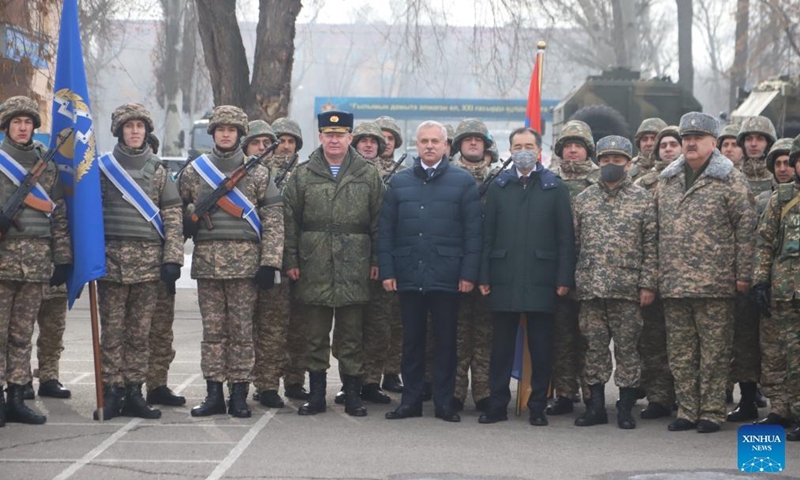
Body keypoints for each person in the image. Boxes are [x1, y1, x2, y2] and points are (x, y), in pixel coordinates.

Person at [180, 105, 283, 419]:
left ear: (240, 134)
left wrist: (270, 263)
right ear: (213, 133)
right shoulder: (195, 171)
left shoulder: (260, 173)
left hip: (246, 266)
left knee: (241, 332)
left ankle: (239, 394)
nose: (226, 134)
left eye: (232, 130)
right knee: (213, 333)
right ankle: (213, 393)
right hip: (208, 264)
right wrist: (189, 220)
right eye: (221, 129)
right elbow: (176, 211)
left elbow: (274, 220)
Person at [656, 112, 756, 433]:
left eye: (698, 138)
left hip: (716, 283)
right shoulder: (667, 180)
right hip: (674, 282)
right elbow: (655, 229)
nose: (690, 143)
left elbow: (746, 228)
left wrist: (743, 275)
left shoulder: (730, 179)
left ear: (714, 143)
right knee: (681, 352)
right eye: (686, 138)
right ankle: (687, 410)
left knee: (714, 353)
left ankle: (712, 412)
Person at [283, 110, 383, 417]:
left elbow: (380, 221)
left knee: (351, 335)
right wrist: (291, 259)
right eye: (329, 134)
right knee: (315, 335)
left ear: (350, 138)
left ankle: (352, 394)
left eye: (340, 135)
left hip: (356, 264)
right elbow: (290, 221)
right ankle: (315, 396)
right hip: (314, 264)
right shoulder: (302, 174)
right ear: (321, 137)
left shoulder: (368, 173)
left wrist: (378, 259)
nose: (335, 140)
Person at [380, 120, 481, 423]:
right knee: (411, 342)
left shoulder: (463, 182)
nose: (429, 146)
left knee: (446, 343)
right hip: (409, 272)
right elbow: (386, 231)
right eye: (424, 141)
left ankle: (444, 402)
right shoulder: (399, 183)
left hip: (447, 275)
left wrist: (468, 274)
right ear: (416, 144)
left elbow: (474, 234)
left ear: (446, 146)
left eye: (435, 141)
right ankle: (409, 401)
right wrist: (388, 270)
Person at [93, 104, 183, 420]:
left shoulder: (158, 170)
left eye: (140, 126)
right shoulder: (101, 169)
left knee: (139, 334)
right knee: (113, 334)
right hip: (111, 265)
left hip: (148, 268)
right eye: (129, 126)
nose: (135, 131)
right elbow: (89, 216)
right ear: (119, 131)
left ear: (147, 131)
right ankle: (113, 392)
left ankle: (134, 392)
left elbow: (173, 217)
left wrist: (172, 259)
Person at [477, 140, 575, 426]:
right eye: (517, 145)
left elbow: (565, 238)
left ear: (538, 150)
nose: (523, 150)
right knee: (501, 348)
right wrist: (484, 275)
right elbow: (487, 235)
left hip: (541, 277)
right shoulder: (500, 186)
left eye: (529, 145)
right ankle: (497, 404)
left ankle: (537, 406)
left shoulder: (555, 187)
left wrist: (563, 278)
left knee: (542, 348)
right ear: (509, 150)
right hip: (504, 275)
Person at [573, 136, 657, 429]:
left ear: (628, 164)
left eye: (617, 160)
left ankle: (625, 408)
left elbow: (651, 245)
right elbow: (575, 243)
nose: (611, 165)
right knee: (593, 349)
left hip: (628, 290)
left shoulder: (643, 199)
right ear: (598, 162)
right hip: (591, 288)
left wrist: (647, 284)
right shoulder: (583, 199)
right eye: (606, 160)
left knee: (627, 350)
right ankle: (595, 407)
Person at [0, 96, 72, 425]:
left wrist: (63, 258)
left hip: (36, 263)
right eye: (17, 122)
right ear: (6, 126)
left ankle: (16, 395)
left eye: (28, 122)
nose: (23, 127)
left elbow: (57, 216)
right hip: (3, 261)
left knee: (21, 334)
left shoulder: (47, 165)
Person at [726, 115, 777, 422]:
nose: (754, 143)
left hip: (776, 273)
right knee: (744, 340)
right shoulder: (732, 178)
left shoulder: (780, 176)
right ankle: (747, 398)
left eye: (760, 138)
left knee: (773, 341)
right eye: (749, 139)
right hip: (743, 269)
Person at [547, 120, 599, 415]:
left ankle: (592, 391)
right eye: (567, 146)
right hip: (557, 270)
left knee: (590, 337)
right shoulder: (550, 179)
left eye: (578, 146)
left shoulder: (599, 180)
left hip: (591, 270)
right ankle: (565, 392)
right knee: (562, 335)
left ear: (588, 150)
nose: (572, 151)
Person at [752, 134, 800, 442]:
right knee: (777, 355)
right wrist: (760, 280)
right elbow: (764, 242)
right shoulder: (780, 198)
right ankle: (781, 410)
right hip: (783, 291)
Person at [241, 120, 292, 409]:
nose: (263, 148)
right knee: (240, 329)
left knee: (273, 329)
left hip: (276, 263)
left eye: (267, 143)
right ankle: (238, 384)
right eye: (256, 143)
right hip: (238, 263)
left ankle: (269, 385)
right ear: (245, 146)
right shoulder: (234, 175)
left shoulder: (290, 175)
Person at [634, 126, 681, 420]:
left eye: (672, 144)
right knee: (651, 341)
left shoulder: (690, 181)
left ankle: (685, 397)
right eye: (662, 145)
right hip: (652, 273)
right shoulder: (643, 184)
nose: (665, 149)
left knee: (681, 343)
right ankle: (658, 398)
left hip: (684, 276)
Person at [449, 118, 494, 413]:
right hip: (454, 269)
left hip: (489, 269)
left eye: (479, 139)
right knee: (455, 334)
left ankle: (484, 392)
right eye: (468, 139)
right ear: (459, 146)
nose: (474, 143)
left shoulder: (500, 180)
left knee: (485, 335)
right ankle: (453, 392)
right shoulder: (447, 177)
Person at [143, 132, 186, 408]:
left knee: (161, 331)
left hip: (161, 266)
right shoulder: (116, 175)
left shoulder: (164, 179)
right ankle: (124, 385)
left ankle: (158, 384)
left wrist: (172, 260)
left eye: (152, 148)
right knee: (131, 332)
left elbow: (175, 223)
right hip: (131, 265)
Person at [271, 116, 310, 401]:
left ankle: (296, 380)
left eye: (290, 142)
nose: (285, 146)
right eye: (280, 141)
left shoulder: (308, 173)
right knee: (271, 326)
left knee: (300, 326)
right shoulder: (259, 171)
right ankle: (267, 382)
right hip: (271, 259)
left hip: (303, 259)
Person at [375, 115, 405, 394]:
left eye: (390, 138)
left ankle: (392, 371)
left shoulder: (405, 172)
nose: (385, 142)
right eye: (380, 137)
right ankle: (364, 376)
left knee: (396, 320)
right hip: (365, 253)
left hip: (397, 254)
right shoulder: (358, 168)